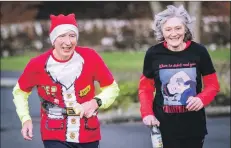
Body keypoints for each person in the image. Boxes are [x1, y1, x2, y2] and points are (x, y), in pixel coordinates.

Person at [12, 13, 120, 148]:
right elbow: (20, 91)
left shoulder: (90, 57)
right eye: (62, 36)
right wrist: (25, 119)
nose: (68, 42)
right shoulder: (37, 64)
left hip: (88, 134)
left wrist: (95, 102)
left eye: (72, 36)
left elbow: (112, 87)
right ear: (53, 40)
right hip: (54, 134)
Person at [138, 5, 220, 148]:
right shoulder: (153, 54)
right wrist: (147, 114)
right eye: (168, 29)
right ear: (161, 31)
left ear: (186, 29)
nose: (173, 34)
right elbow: (145, 88)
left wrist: (201, 99)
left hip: (194, 127)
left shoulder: (199, 52)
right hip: (163, 127)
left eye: (178, 28)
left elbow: (213, 85)